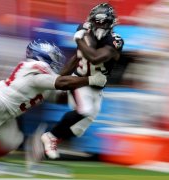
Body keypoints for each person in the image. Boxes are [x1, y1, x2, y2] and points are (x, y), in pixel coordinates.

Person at [40, 3, 124, 159]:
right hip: (81, 81)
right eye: (97, 21)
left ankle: (54, 138)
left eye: (103, 22)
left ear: (111, 23)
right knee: (84, 110)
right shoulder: (86, 33)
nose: (99, 25)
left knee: (78, 129)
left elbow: (95, 57)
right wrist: (57, 78)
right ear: (91, 21)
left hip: (97, 87)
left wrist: (79, 39)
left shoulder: (115, 40)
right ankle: (50, 136)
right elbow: (77, 57)